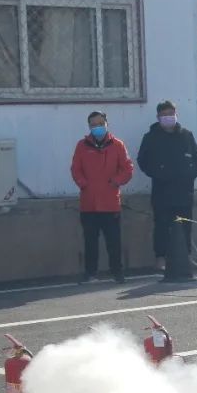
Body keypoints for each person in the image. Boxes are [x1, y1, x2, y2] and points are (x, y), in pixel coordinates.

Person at [137, 101, 197, 272]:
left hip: (184, 190)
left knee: (185, 225)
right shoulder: (151, 137)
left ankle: (186, 257)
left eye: (171, 114)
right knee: (162, 225)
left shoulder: (186, 135)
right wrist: (158, 173)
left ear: (176, 115)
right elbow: (143, 161)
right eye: (164, 115)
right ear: (158, 117)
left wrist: (191, 174)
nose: (168, 118)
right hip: (162, 191)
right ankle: (160, 258)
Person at [70, 111, 134, 284]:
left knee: (114, 241)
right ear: (89, 127)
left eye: (100, 124)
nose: (97, 127)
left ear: (106, 124)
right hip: (89, 203)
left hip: (110, 202)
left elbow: (127, 169)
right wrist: (83, 184)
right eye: (93, 125)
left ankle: (117, 272)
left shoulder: (118, 145)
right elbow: (75, 169)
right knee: (90, 241)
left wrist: (116, 182)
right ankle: (90, 273)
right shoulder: (82, 146)